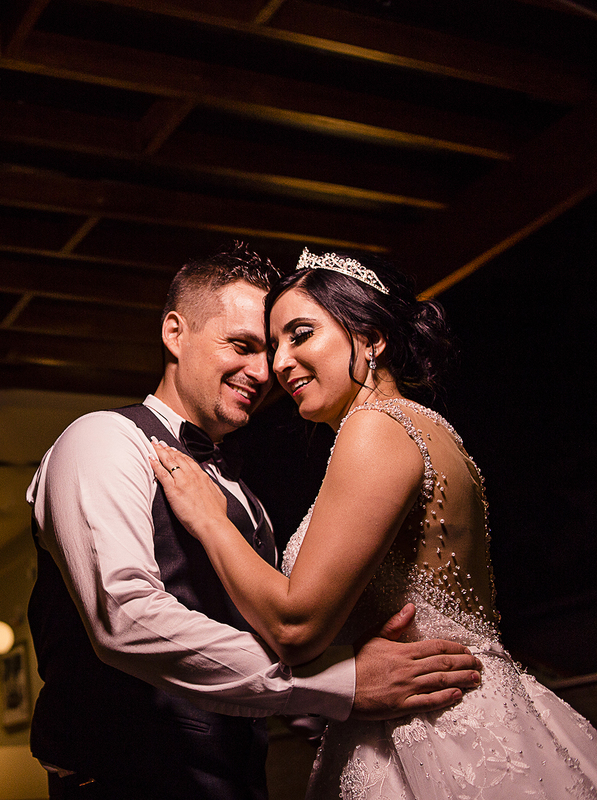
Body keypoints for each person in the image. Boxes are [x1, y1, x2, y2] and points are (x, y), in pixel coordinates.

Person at [26, 244, 483, 800]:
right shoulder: (102, 440)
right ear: (175, 333)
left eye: (273, 349)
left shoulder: (245, 496)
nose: (266, 371)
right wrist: (340, 680)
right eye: (242, 346)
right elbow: (124, 616)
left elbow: (276, 626)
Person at [149, 248, 597, 798]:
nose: (279, 364)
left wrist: (210, 519)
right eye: (274, 345)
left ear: (370, 338)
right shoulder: (429, 428)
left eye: (301, 334)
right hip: (474, 714)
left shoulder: (376, 427)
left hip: (426, 734)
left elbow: (295, 627)